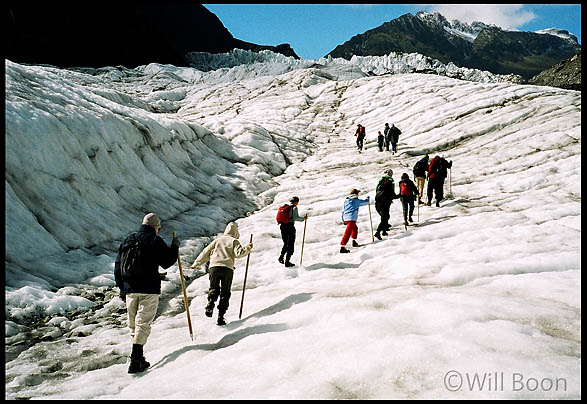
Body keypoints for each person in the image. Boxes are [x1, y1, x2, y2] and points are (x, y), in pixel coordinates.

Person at [114, 213, 180, 374]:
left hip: (130, 289)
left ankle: (139, 356)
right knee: (143, 323)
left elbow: (118, 265)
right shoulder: (154, 240)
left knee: (133, 324)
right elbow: (166, 262)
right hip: (149, 288)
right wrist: (175, 247)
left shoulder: (128, 240)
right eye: (158, 227)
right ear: (155, 227)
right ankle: (135, 359)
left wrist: (122, 288)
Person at [191, 222, 253, 326]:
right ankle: (221, 317)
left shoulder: (218, 240)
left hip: (214, 267)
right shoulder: (234, 241)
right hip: (227, 269)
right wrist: (248, 248)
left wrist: (197, 263)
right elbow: (239, 254)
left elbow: (206, 252)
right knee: (225, 293)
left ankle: (210, 304)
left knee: (214, 288)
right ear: (236, 233)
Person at [277, 196, 308, 267]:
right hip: (290, 226)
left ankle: (281, 257)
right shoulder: (294, 208)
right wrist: (303, 218)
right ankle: (287, 261)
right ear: (296, 202)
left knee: (285, 243)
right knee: (290, 243)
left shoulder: (285, 207)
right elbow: (295, 217)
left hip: (282, 226)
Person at [340, 188, 370, 253]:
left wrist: (343, 219)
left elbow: (343, 210)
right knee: (348, 232)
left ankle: (354, 242)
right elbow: (365, 202)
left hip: (346, 218)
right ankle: (342, 247)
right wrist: (368, 198)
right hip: (351, 218)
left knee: (355, 229)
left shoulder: (346, 201)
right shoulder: (355, 200)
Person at [374, 169, 399, 240]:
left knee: (384, 216)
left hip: (378, 200)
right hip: (386, 201)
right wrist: (397, 196)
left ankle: (384, 231)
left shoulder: (381, 180)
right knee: (385, 217)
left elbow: (377, 189)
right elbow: (392, 192)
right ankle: (378, 232)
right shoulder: (391, 181)